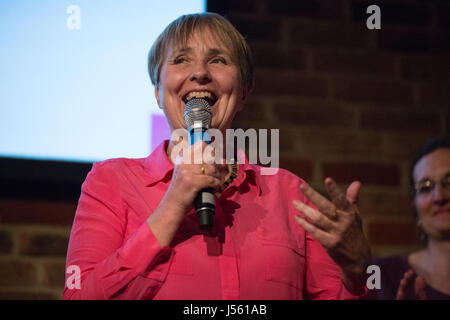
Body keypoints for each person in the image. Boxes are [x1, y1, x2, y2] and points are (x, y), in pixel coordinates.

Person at [63, 12, 372, 300]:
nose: (199, 73)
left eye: (218, 60)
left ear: (243, 92)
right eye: (181, 59)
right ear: (158, 92)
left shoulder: (290, 195)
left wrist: (356, 272)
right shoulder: (111, 182)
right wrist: (173, 205)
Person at [374, 136, 450, 300]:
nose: (439, 196)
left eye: (449, 181)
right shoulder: (381, 275)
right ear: (414, 206)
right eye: (426, 187)